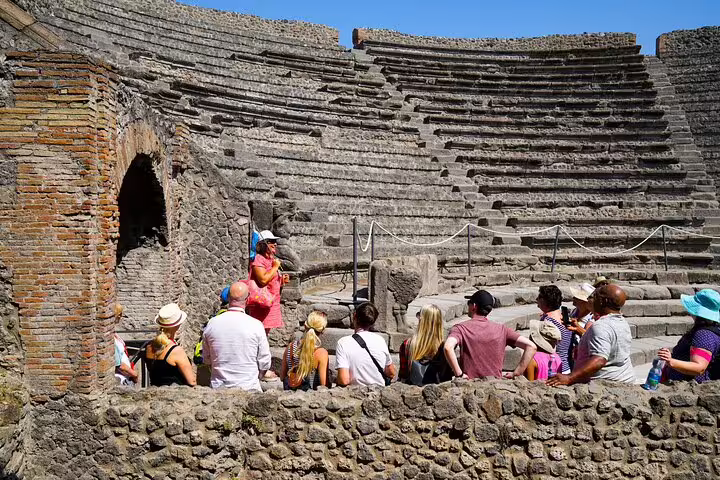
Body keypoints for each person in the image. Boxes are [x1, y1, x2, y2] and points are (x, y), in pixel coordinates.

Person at [547, 284, 635, 386]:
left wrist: (569, 377)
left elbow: (599, 360)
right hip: (623, 378)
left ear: (603, 301)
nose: (591, 300)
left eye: (594, 296)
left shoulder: (601, 326)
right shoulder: (622, 322)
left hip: (605, 384)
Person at [444, 290, 536, 380]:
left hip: (470, 385)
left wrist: (459, 374)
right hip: (494, 384)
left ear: (474, 306)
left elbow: (448, 347)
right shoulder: (502, 329)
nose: (468, 306)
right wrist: (517, 373)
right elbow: (531, 346)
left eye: (469, 303)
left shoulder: (460, 328)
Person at [202, 281, 272, 391]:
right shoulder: (256, 325)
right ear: (248, 299)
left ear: (228, 298)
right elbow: (265, 362)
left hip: (218, 390)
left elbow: (206, 359)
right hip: (248, 388)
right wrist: (257, 377)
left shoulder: (212, 323)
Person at [658, 289, 720, 383]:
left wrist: (671, 361)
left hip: (688, 386)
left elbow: (699, 367)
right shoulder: (711, 329)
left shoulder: (704, 335)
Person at [336, 302, 395, 386]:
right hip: (378, 393)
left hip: (354, 394)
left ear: (354, 316)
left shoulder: (343, 342)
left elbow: (344, 380)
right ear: (373, 321)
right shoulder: (380, 340)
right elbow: (391, 372)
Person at [247, 230, 290, 334]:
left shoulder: (271, 260)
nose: (275, 244)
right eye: (271, 241)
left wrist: (282, 280)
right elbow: (263, 280)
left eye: (275, 241)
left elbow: (272, 281)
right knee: (258, 332)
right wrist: (275, 267)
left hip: (271, 302)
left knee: (265, 332)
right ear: (264, 244)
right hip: (261, 303)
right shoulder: (259, 259)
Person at [399, 304, 452, 385]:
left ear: (421, 320)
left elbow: (403, 373)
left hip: (412, 389)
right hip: (438, 389)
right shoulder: (445, 347)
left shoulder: (407, 344)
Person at [145, 303, 196, 387]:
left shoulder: (149, 346)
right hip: (175, 394)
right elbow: (192, 381)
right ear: (177, 325)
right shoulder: (176, 351)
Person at [280, 311, 330, 390]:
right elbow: (324, 384)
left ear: (305, 325)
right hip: (311, 399)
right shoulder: (321, 353)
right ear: (323, 330)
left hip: (289, 397)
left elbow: (282, 376)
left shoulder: (290, 347)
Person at [536, 285, 573, 373]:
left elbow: (542, 347)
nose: (536, 299)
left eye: (539, 297)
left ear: (544, 300)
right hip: (566, 366)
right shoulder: (565, 316)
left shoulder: (548, 321)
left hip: (553, 367)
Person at [113, 304, 138, 385]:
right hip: (121, 379)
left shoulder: (113, 334)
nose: (121, 316)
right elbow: (119, 364)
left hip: (125, 376)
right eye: (119, 314)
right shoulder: (110, 338)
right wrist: (134, 374)